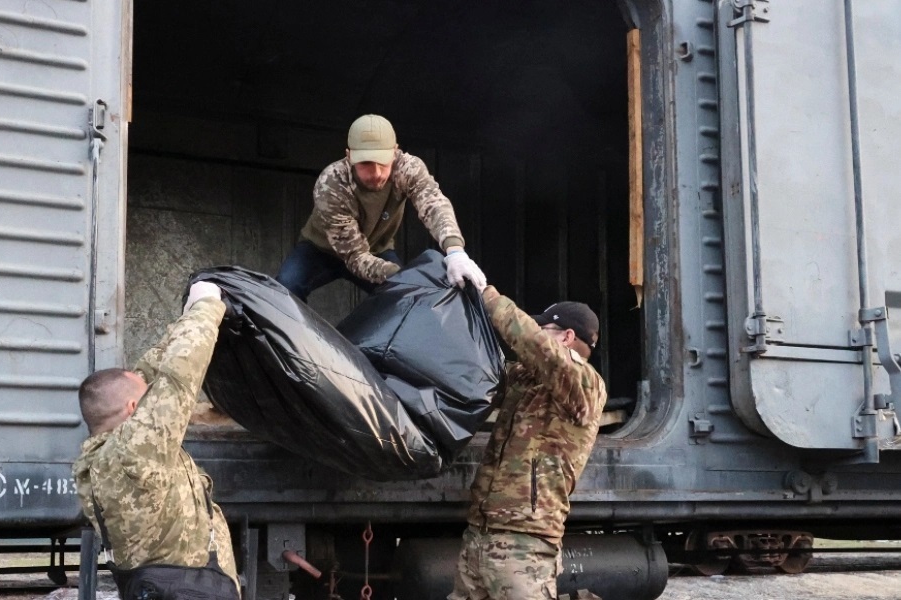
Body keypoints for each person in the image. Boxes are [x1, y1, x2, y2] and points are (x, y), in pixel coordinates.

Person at [72, 281, 239, 599]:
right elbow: (179, 375)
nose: (153, 399)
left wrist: (183, 317)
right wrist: (206, 305)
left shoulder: (103, 458)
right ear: (134, 410)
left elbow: (143, 379)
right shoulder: (132, 451)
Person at [449, 289, 608, 600]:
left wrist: (484, 292)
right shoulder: (525, 379)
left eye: (544, 329)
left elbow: (533, 344)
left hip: (524, 543)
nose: (536, 334)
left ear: (566, 337)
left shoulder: (585, 383)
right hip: (481, 535)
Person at [276, 114, 486, 301]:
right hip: (321, 251)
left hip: (377, 249)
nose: (376, 173)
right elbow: (355, 257)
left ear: (395, 152)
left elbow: (434, 204)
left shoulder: (407, 168)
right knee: (286, 288)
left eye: (382, 162)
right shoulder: (331, 184)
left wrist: (455, 251)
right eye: (366, 163)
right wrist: (405, 275)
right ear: (349, 156)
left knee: (405, 298)